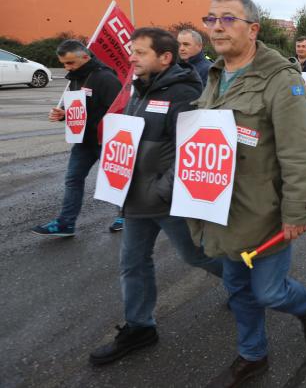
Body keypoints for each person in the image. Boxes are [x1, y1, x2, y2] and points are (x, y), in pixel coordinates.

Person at [187, 0, 306, 387]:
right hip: (222, 208)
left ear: (253, 29)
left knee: (269, 292)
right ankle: (253, 355)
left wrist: (297, 212)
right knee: (238, 290)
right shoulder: (214, 74)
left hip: (265, 213)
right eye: (211, 19)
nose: (216, 26)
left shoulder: (281, 80)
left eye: (228, 19)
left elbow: (302, 153)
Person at [89, 28, 223, 366]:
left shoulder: (185, 90)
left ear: (164, 58)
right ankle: (140, 327)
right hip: (135, 198)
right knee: (132, 263)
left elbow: (193, 145)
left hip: (166, 199)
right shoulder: (140, 87)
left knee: (198, 257)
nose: (131, 57)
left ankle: (247, 281)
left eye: (140, 52)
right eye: (131, 51)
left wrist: (166, 189)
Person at [32, 39, 122, 237]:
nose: (67, 67)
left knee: (115, 180)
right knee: (73, 179)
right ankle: (66, 224)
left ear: (85, 57)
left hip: (105, 140)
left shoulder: (105, 78)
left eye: (70, 63)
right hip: (83, 141)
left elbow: (118, 111)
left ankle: (125, 216)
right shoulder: (75, 77)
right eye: (64, 63)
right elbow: (75, 106)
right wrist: (63, 113)